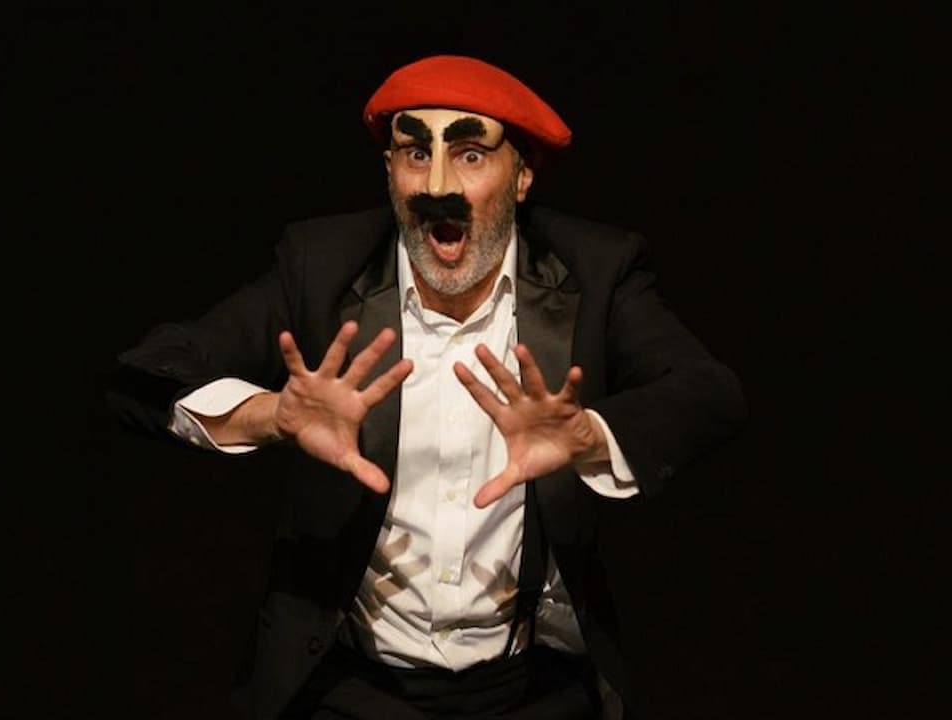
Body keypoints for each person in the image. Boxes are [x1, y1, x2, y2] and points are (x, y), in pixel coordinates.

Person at [107, 55, 745, 719]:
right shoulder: (320, 266)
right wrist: (270, 416)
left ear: (522, 175)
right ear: (390, 171)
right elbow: (145, 375)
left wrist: (589, 438)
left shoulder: (596, 269)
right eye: (416, 153)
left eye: (470, 154)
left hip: (534, 688)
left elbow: (710, 393)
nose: (437, 185)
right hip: (353, 690)